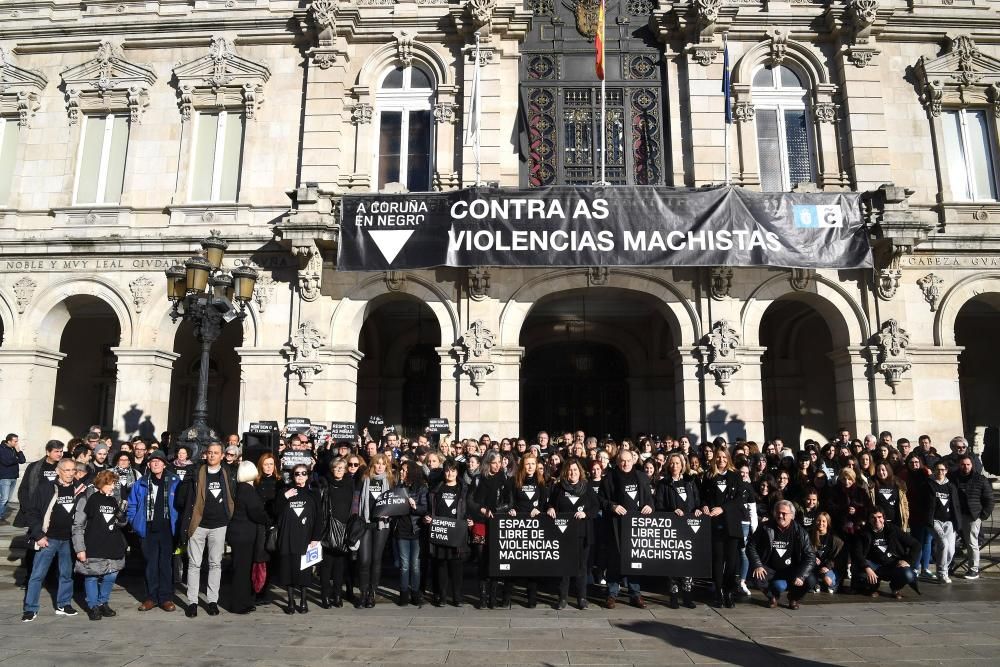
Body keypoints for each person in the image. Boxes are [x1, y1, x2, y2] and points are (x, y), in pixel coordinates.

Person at [177, 441, 235, 617]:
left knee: (215, 563)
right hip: (198, 524)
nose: (212, 455)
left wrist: (228, 515)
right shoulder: (195, 472)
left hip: (219, 524)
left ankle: (212, 601)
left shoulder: (228, 473)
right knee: (194, 564)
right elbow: (181, 498)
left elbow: (233, 496)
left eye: (216, 453)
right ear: (205, 454)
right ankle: (192, 602)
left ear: (222, 456)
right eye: (209, 452)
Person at [21, 459, 83, 622]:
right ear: (58, 471)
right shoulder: (46, 488)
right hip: (48, 539)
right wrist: (39, 535)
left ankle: (64, 604)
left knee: (66, 574)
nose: (70, 473)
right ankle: (30, 608)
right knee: (37, 575)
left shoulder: (79, 489)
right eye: (67, 470)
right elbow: (32, 513)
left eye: (73, 470)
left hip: (69, 540)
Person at [127, 449, 180, 612]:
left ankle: (165, 598)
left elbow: (181, 504)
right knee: (150, 564)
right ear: (149, 464)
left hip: (167, 529)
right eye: (152, 461)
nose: (155, 463)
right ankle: (151, 597)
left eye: (159, 461)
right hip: (147, 529)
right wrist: (134, 522)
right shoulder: (141, 482)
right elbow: (132, 505)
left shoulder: (174, 481)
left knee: (165, 564)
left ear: (164, 464)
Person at [600, 449, 654, 609]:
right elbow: (601, 500)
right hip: (616, 525)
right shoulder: (609, 478)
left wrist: (650, 507)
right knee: (615, 558)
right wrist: (613, 506)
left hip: (637, 526)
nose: (625, 463)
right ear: (617, 462)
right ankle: (612, 593)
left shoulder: (642, 477)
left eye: (628, 460)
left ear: (633, 461)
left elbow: (651, 499)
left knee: (635, 558)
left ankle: (635, 594)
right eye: (622, 461)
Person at [73, 470, 127, 621]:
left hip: (112, 543)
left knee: (111, 574)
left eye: (114, 483)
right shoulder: (87, 499)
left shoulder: (112, 499)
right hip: (93, 543)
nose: (113, 487)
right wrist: (80, 548)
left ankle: (103, 601)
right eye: (111, 483)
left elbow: (121, 522)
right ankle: (93, 605)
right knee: (91, 576)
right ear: (102, 483)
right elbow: (78, 525)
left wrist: (122, 515)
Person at [546, 458, 599, 610]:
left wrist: (586, 514)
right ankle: (563, 598)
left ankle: (582, 598)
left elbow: (596, 508)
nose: (572, 473)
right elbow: (551, 504)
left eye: (575, 470)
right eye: (570, 470)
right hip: (564, 534)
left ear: (580, 472)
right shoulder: (559, 488)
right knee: (565, 567)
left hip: (583, 533)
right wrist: (550, 508)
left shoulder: (587, 488)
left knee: (582, 567)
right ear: (565, 472)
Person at [746, 500, 815, 610]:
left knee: (810, 580)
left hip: (792, 569)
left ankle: (793, 598)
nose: (780, 516)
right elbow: (751, 546)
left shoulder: (800, 532)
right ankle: (772, 597)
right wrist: (758, 565)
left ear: (792, 516)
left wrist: (801, 575)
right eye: (778, 512)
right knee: (757, 575)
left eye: (784, 513)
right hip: (770, 568)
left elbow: (810, 556)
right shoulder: (765, 527)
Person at [700, 445, 746, 608]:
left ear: (729, 459)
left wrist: (723, 508)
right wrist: (704, 506)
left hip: (731, 524)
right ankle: (718, 592)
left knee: (732, 561)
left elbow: (740, 500)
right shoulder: (709, 475)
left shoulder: (735, 476)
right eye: (718, 457)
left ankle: (729, 592)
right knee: (718, 560)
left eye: (724, 457)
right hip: (715, 524)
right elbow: (702, 497)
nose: (721, 460)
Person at [654, 452, 701, 609]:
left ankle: (687, 596)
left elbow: (697, 501)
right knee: (673, 562)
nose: (674, 466)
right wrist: (671, 511)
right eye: (672, 463)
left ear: (682, 465)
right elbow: (658, 506)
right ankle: (673, 595)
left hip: (689, 527)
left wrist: (698, 510)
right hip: (672, 528)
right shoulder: (663, 483)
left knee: (688, 562)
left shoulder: (690, 481)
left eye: (677, 463)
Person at [275, 463, 323, 614]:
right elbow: (275, 511)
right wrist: (284, 497)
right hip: (287, 537)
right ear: (293, 476)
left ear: (308, 476)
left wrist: (316, 537)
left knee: (304, 571)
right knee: (287, 570)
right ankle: (290, 601)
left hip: (306, 538)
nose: (300, 476)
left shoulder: (314, 493)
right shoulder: (285, 491)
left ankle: (303, 600)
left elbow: (319, 517)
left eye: (303, 473)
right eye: (297, 473)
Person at [427, 459, 472, 607]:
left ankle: (457, 597)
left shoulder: (463, 489)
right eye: (447, 470)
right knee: (441, 566)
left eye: (453, 470)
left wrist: (469, 521)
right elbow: (431, 509)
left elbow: (468, 509)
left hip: (457, 533)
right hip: (441, 533)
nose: (450, 473)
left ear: (457, 472)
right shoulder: (437, 489)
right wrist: (428, 517)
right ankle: (442, 596)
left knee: (457, 567)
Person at [505, 453, 548, 608]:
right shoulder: (514, 481)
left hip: (535, 527)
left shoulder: (541, 482)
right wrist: (512, 510)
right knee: (513, 561)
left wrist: (539, 510)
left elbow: (544, 503)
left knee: (532, 563)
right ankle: (507, 596)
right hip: (517, 526)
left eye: (533, 464)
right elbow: (509, 501)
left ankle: (532, 598)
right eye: (527, 464)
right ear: (522, 465)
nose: (530, 467)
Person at [227, 460, 269, 614]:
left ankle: (245, 601)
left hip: (238, 534)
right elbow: (256, 513)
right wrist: (268, 519)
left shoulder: (240, 488)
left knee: (242, 570)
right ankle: (239, 604)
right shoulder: (248, 490)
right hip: (245, 535)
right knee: (243, 571)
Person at [356, 452, 395, 608]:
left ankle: (372, 593)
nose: (380, 466)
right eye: (377, 463)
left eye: (383, 463)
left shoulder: (390, 481)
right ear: (372, 465)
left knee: (376, 560)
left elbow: (394, 503)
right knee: (364, 560)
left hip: (382, 525)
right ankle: (363, 593)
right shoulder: (365, 480)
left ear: (387, 466)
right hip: (365, 523)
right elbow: (357, 501)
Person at [852, 509, 920, 598]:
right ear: (869, 519)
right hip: (873, 565)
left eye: (879, 517)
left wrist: (908, 561)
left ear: (884, 518)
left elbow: (916, 545)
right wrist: (867, 568)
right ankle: (872, 588)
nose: (877, 520)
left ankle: (895, 588)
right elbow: (857, 553)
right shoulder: (863, 532)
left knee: (908, 575)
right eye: (873, 517)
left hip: (893, 564)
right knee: (861, 573)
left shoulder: (893, 529)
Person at [317, 457, 356, 608]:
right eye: (336, 467)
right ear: (332, 469)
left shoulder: (350, 484)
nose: (339, 470)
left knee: (340, 565)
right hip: (328, 528)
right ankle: (325, 596)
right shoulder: (325, 483)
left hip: (345, 527)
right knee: (327, 565)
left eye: (342, 468)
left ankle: (338, 595)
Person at [951, 453, 994, 580]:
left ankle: (973, 569)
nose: (965, 467)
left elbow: (989, 499)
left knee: (972, 543)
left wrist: (982, 516)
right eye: (963, 464)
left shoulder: (980, 479)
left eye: (968, 464)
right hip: (954, 515)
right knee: (949, 543)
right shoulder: (952, 477)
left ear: (972, 465)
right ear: (959, 465)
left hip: (972, 516)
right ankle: (948, 567)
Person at [395, 460, 428, 607]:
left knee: (415, 565)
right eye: (401, 470)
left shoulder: (421, 488)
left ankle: (415, 593)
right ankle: (403, 593)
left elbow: (424, 509)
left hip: (416, 530)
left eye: (404, 470)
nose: (401, 472)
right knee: (404, 565)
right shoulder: (398, 488)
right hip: (401, 530)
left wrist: (414, 507)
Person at [927, 461, 960, 583]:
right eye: (938, 469)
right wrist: (928, 519)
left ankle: (944, 570)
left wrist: (957, 523)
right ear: (934, 470)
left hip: (949, 522)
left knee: (951, 551)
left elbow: (955, 505)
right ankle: (941, 573)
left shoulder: (951, 486)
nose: (940, 472)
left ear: (946, 471)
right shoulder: (929, 484)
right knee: (943, 543)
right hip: (935, 521)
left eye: (942, 470)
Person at [810, 512, 843, 594]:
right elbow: (804, 552)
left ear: (828, 523)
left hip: (828, 568)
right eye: (819, 520)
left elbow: (839, 557)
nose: (821, 523)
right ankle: (817, 583)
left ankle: (833, 584)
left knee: (828, 581)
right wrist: (813, 558)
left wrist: (828, 567)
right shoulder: (809, 536)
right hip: (813, 568)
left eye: (824, 521)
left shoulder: (834, 539)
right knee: (809, 582)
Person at [0, 433, 25, 524]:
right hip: (5, 477)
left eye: (17, 441)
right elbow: (6, 462)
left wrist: (19, 452)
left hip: (13, 477)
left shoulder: (15, 449)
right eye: (15, 441)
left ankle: (1, 516)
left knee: (7, 499)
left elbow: (23, 460)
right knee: (4, 499)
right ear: (9, 441)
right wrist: (16, 459)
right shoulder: (1, 449)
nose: (17, 443)